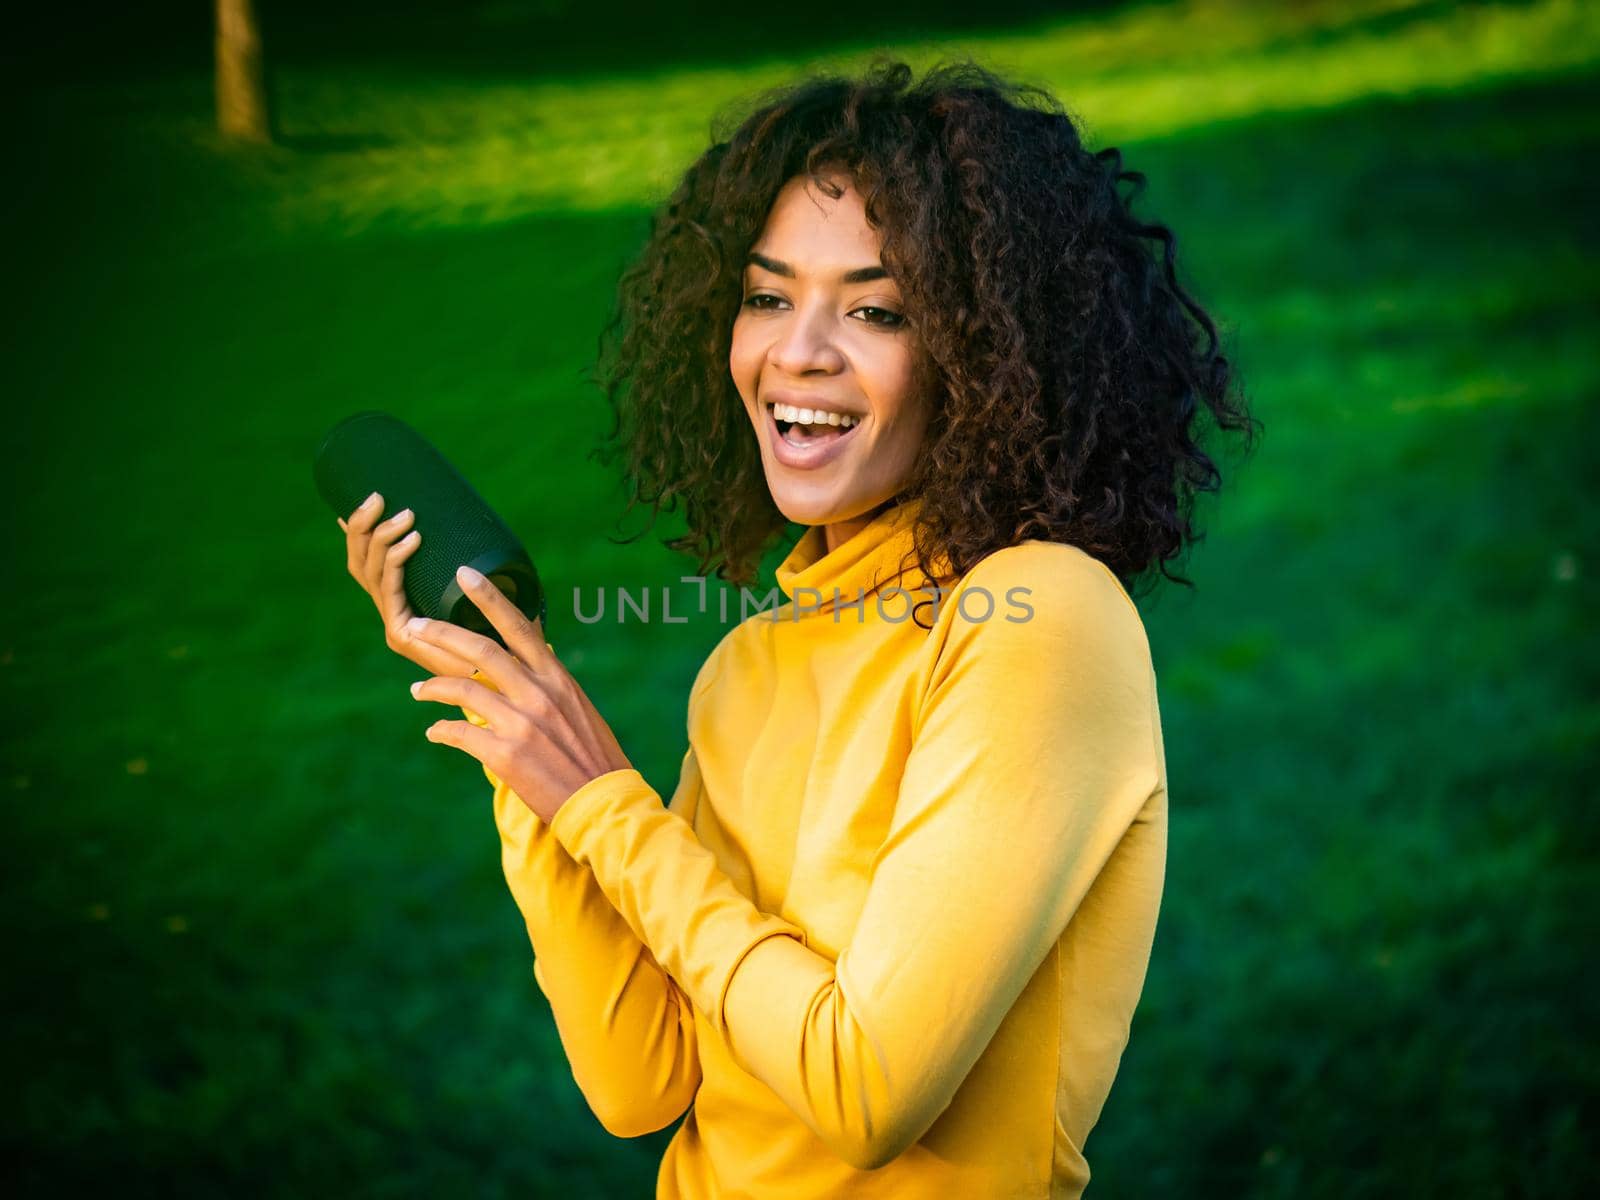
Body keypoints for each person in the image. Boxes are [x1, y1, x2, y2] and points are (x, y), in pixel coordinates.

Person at [338, 57, 1256, 1199]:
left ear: (985, 359)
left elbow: (865, 1091)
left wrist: (601, 803)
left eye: (875, 310)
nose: (796, 353)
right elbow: (641, 1080)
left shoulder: (1040, 619)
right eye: (768, 296)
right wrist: (518, 734)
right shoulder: (752, 665)